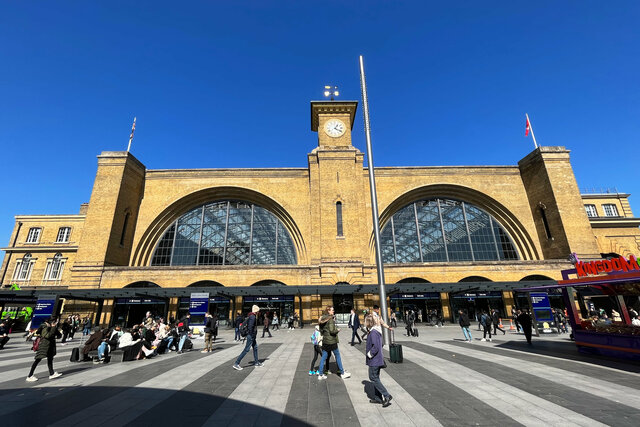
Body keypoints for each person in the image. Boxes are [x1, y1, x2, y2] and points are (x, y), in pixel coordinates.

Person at [364, 314, 392, 407]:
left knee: (373, 378)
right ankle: (378, 398)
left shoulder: (373, 333)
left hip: (374, 360)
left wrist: (369, 354)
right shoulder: (375, 331)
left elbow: (376, 346)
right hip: (377, 359)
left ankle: (386, 395)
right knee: (376, 378)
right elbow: (381, 343)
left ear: (369, 323)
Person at [317, 306, 351, 380]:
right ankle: (342, 373)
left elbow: (321, 331)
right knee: (337, 356)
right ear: (328, 311)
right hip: (332, 341)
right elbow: (332, 331)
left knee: (323, 357)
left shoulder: (322, 319)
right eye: (332, 310)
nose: (333, 311)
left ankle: (320, 374)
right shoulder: (330, 320)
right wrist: (337, 330)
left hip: (325, 341)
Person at [26, 317, 63, 381]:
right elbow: (47, 335)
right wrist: (53, 328)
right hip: (44, 346)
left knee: (50, 359)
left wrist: (56, 331)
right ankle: (30, 376)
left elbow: (59, 335)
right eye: (55, 322)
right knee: (38, 359)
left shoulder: (51, 327)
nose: (56, 323)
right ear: (51, 322)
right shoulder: (44, 327)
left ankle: (52, 373)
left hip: (50, 346)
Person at [233, 305, 263, 370]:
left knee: (255, 348)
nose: (259, 312)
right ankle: (236, 363)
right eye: (258, 311)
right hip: (251, 335)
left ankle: (256, 362)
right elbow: (250, 327)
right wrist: (252, 335)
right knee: (246, 349)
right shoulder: (253, 317)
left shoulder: (251, 316)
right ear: (256, 311)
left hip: (252, 336)